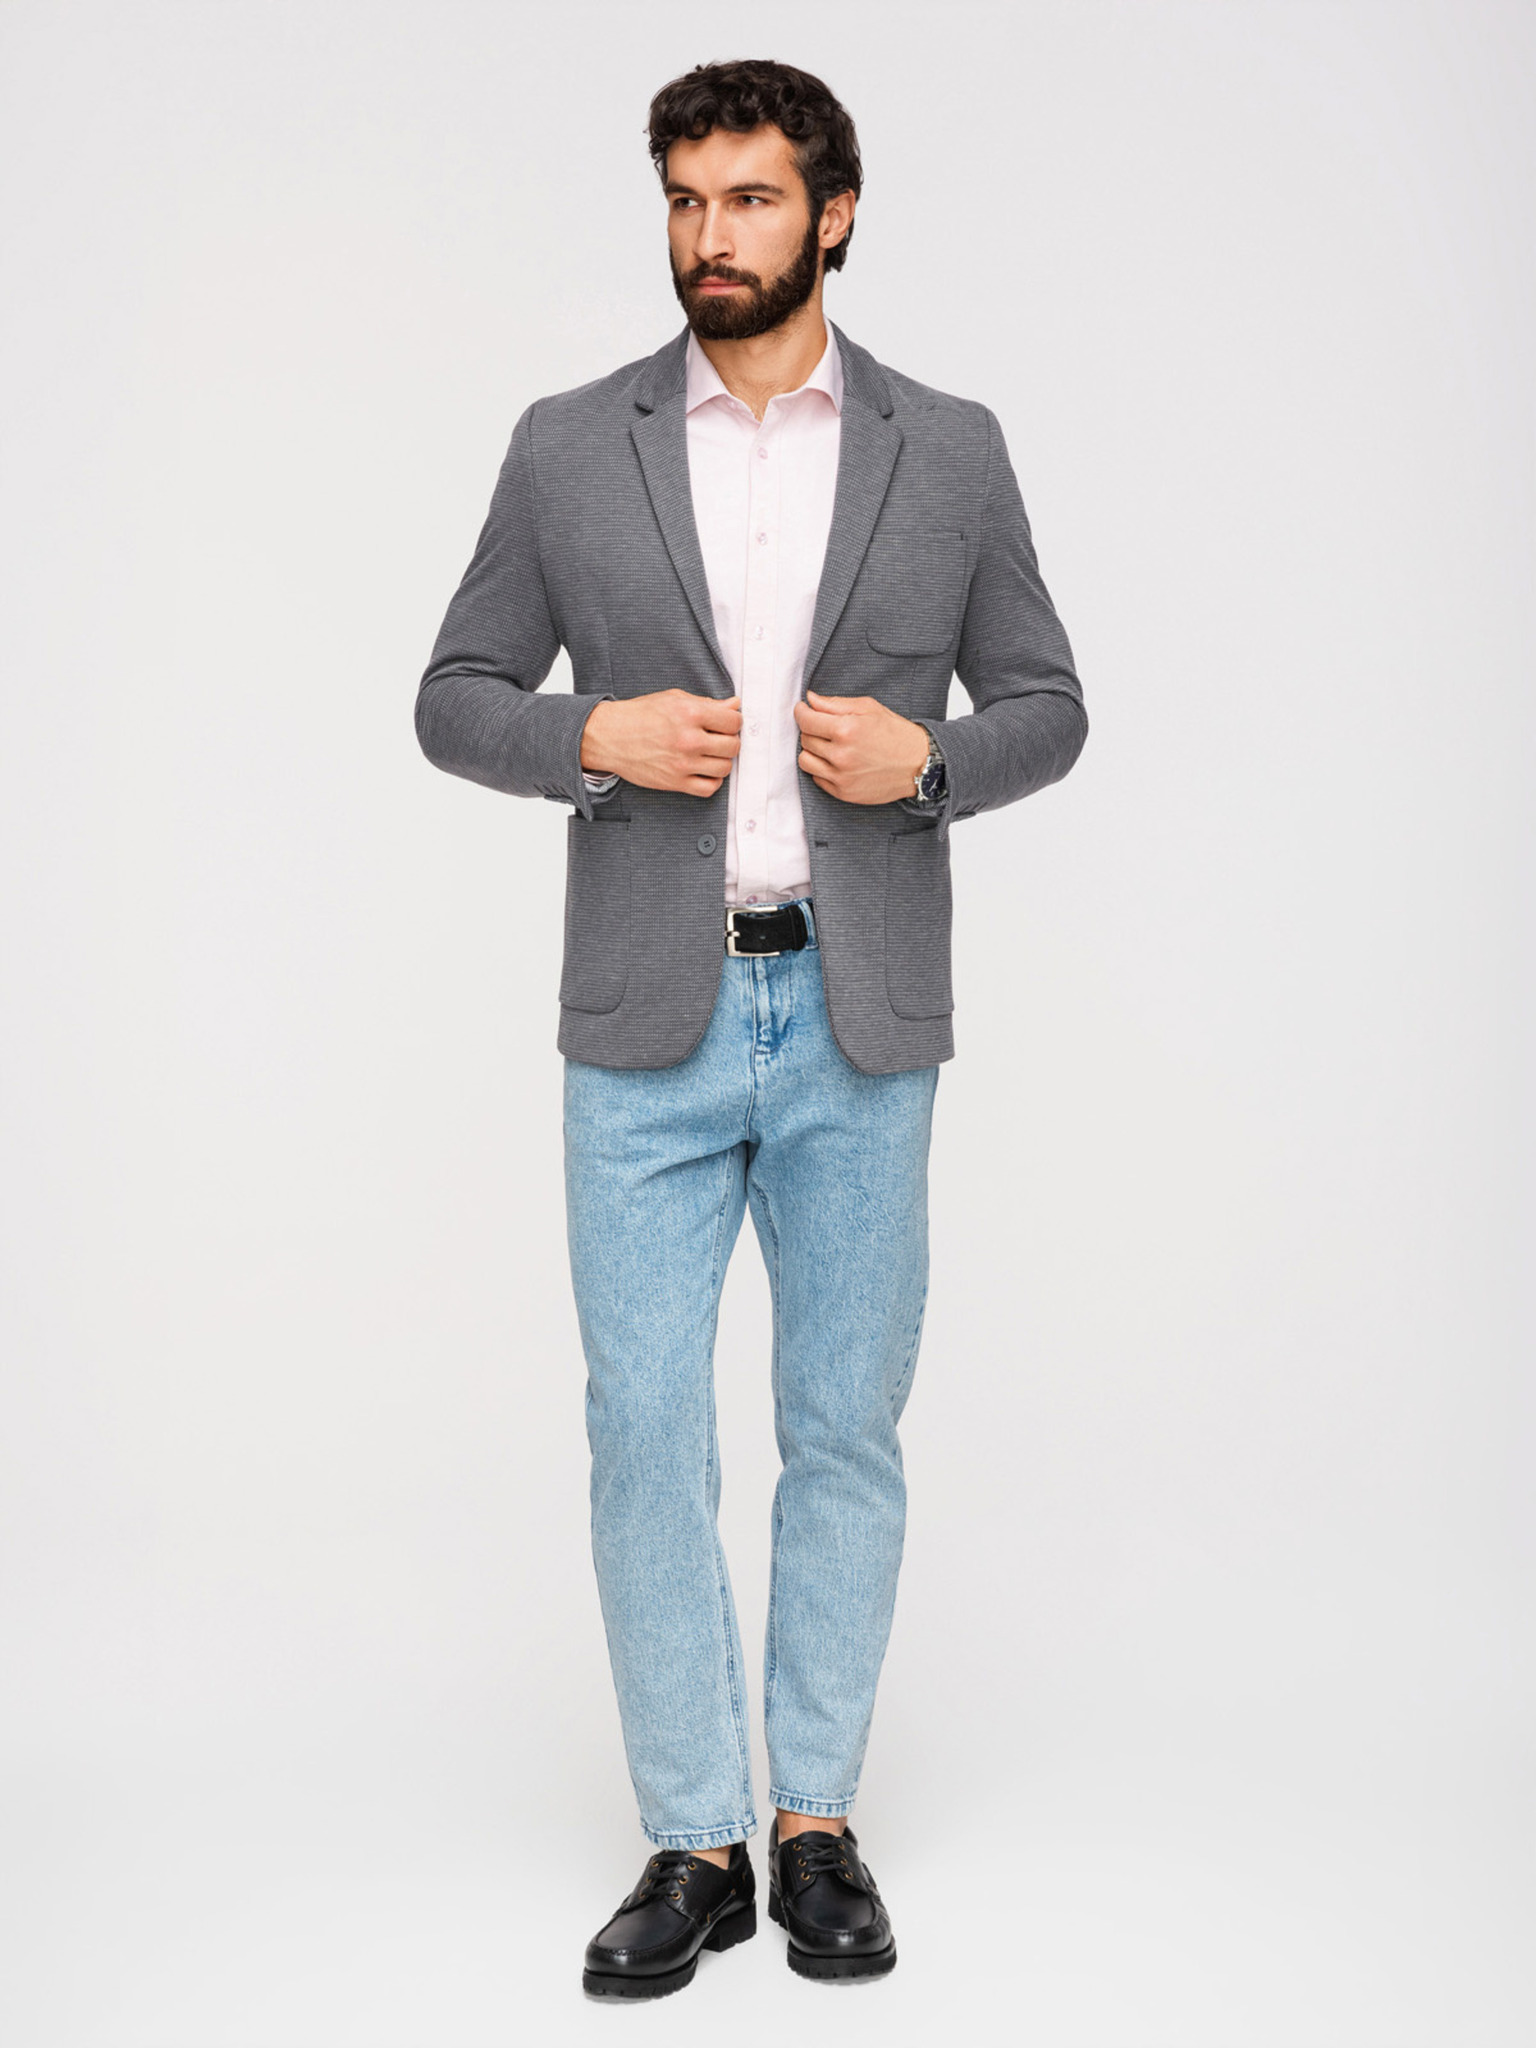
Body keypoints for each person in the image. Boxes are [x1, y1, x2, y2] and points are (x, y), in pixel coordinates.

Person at [415, 57, 1086, 2000]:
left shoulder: (949, 449)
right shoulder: (570, 444)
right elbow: (455, 691)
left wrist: (928, 765)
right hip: (646, 1013)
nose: (711, 235)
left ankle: (814, 1822)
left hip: (863, 1009)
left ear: (835, 214)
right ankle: (694, 1836)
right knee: (642, 1425)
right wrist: (592, 735)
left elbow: (1049, 703)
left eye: (753, 199)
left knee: (840, 1425)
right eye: (688, 199)